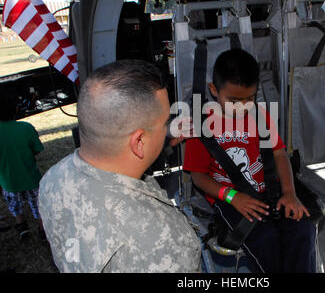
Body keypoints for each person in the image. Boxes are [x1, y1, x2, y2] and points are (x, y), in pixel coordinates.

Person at [38, 60, 201, 273]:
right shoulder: (162, 238)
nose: (168, 127)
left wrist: (162, 137)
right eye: (165, 123)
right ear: (139, 141)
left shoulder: (53, 178)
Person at [183, 49, 317, 273]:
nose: (243, 107)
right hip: (228, 197)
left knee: (303, 230)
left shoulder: (259, 115)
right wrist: (233, 197)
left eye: (250, 98)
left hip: (268, 191)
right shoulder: (202, 125)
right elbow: (198, 176)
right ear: (214, 90)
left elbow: (279, 154)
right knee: (265, 238)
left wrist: (289, 193)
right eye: (234, 101)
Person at [0, 91, 45, 241]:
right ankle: (42, 230)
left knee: (15, 206)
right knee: (38, 206)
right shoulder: (26, 127)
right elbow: (37, 150)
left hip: (8, 182)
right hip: (32, 178)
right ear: (16, 109)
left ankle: (22, 227)